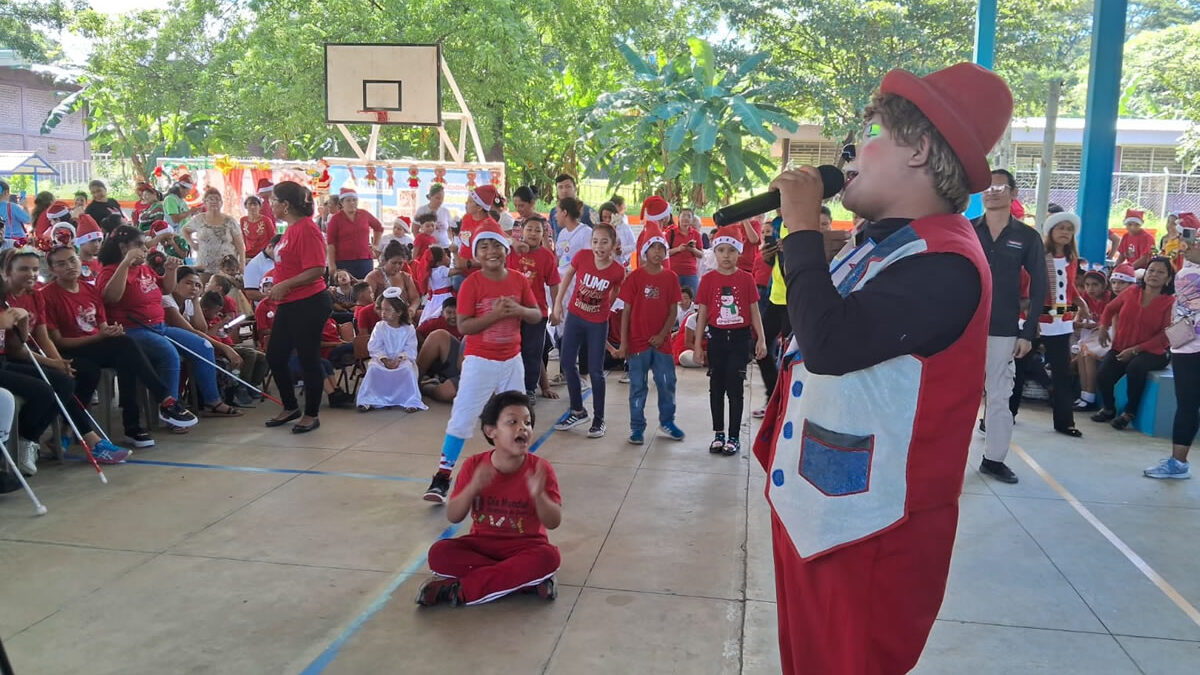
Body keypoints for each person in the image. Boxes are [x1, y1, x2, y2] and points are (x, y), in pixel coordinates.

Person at [754, 63, 1006, 673]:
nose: (850, 153)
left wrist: (801, 229)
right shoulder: (885, 241)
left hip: (871, 534)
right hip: (823, 506)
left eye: (871, 135)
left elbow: (830, 345)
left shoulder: (944, 262)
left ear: (919, 149)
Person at [422, 218, 542, 504]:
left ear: (505, 249)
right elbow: (464, 327)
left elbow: (537, 315)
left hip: (511, 361)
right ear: (476, 253)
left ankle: (522, 474)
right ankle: (442, 477)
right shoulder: (471, 284)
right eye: (483, 246)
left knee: (517, 419)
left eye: (496, 245)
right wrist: (496, 315)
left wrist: (521, 310)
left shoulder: (518, 280)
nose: (491, 251)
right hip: (479, 362)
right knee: (462, 417)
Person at [41, 244, 198, 448]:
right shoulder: (48, 295)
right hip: (71, 349)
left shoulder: (89, 290)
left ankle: (135, 425)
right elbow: (58, 341)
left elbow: (102, 326)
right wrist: (101, 336)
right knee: (114, 356)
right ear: (52, 270)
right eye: (61, 264)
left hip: (95, 345)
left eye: (72, 260)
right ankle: (161, 402)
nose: (69, 266)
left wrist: (109, 332)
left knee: (127, 354)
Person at [417, 391, 561, 607]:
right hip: (481, 546)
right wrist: (473, 487)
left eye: (528, 422)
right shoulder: (474, 466)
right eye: (513, 422)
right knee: (439, 554)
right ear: (490, 431)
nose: (523, 428)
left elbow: (553, 522)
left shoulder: (540, 468)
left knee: (549, 558)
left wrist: (538, 495)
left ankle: (463, 590)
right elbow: (454, 516)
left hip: (526, 547)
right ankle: (525, 582)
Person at [2, 247, 136, 465]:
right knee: (49, 387)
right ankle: (38, 440)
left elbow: (42, 338)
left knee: (67, 379)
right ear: (7, 270)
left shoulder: (35, 295)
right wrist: (52, 362)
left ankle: (55, 437)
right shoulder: (4, 299)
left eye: (35, 269)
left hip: (27, 355)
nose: (31, 274)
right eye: (23, 269)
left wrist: (58, 363)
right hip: (12, 360)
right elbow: (14, 350)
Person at [97, 226, 243, 424]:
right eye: (139, 245)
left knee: (203, 346)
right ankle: (170, 407)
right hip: (132, 330)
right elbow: (111, 298)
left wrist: (171, 270)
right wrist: (125, 263)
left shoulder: (144, 269)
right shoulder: (109, 271)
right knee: (169, 353)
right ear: (123, 248)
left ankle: (212, 401)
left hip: (159, 327)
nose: (145, 249)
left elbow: (166, 288)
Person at [973, 168, 1047, 484]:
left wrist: (1028, 332)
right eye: (987, 186)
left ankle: (993, 459)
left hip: (1002, 330)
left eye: (1000, 186)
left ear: (1013, 193)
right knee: (953, 396)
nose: (993, 191)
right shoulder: (966, 230)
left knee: (999, 397)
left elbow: (1041, 285)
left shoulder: (1026, 237)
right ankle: (943, 461)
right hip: (962, 329)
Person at [263, 181, 332, 433]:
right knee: (275, 356)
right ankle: (290, 405)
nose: (270, 205)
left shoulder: (307, 229)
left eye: (273, 200)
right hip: (290, 301)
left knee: (307, 357)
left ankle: (311, 414)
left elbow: (316, 269)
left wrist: (286, 284)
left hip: (309, 302)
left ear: (285, 205)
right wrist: (276, 284)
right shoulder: (290, 229)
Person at [694, 226, 766, 456]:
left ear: (739, 253)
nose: (726, 255)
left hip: (739, 340)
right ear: (714, 252)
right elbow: (702, 314)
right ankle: (719, 434)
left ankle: (734, 436)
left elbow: (754, 312)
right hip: (716, 339)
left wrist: (761, 340)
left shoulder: (746, 279)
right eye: (721, 250)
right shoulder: (707, 280)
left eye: (731, 250)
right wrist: (697, 345)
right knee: (716, 388)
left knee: (735, 390)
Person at [551, 223, 626, 438]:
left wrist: (606, 308)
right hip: (575, 317)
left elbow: (617, 290)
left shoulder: (617, 270)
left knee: (595, 371)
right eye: (595, 241)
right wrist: (557, 304)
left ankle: (599, 419)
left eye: (604, 242)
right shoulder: (582, 256)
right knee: (566, 363)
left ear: (613, 245)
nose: (599, 246)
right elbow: (567, 277)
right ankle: (577, 410)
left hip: (597, 323)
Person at [617, 224, 684, 445]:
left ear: (666, 252)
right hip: (637, 344)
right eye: (652, 248)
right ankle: (637, 427)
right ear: (644, 251)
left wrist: (663, 334)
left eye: (661, 248)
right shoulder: (635, 277)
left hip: (662, 344)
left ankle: (667, 420)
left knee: (666, 382)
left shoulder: (671, 277)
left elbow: (673, 310)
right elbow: (626, 311)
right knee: (638, 386)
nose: (657, 252)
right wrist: (624, 343)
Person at [1094, 257, 1175, 431]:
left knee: (1135, 367)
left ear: (1168, 278)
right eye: (1151, 270)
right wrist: (1103, 327)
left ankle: (1129, 413)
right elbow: (1109, 309)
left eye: (1160, 272)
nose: (1154, 275)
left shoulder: (1170, 302)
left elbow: (1165, 335)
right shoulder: (1132, 292)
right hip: (1122, 346)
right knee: (1103, 375)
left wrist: (1136, 350)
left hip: (1155, 351)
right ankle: (1109, 409)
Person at [1146, 232, 1200, 478]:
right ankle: (1178, 463)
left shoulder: (1189, 273)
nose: (1186, 247)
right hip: (1184, 346)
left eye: (1193, 243)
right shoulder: (1186, 269)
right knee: (1187, 405)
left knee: (1188, 405)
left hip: (1191, 347)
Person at [1036, 211, 1085, 437]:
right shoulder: (1038, 256)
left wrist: (1080, 303)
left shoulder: (1071, 259)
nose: (1065, 232)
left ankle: (1064, 422)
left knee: (1062, 373)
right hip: (1036, 320)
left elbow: (1069, 287)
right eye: (1061, 228)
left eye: (1069, 229)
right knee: (1015, 369)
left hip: (1061, 323)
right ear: (1051, 231)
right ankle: (1005, 415)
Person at [506, 215, 561, 402]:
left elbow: (554, 284)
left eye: (538, 230)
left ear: (543, 234)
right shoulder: (511, 251)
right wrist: (512, 242)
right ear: (521, 231)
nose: (533, 233)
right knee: (510, 350)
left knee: (533, 351)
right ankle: (510, 388)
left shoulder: (547, 256)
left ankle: (529, 389)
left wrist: (557, 309)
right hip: (511, 312)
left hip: (537, 313)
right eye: (529, 229)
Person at [356, 288, 426, 412]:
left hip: (402, 359)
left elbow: (410, 348)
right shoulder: (380, 327)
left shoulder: (408, 329)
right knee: (374, 368)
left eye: (387, 310)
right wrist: (384, 359)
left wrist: (399, 359)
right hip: (382, 359)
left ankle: (410, 400)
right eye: (382, 309)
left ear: (399, 312)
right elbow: (375, 346)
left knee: (407, 369)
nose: (383, 313)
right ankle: (369, 399)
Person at [325, 186, 382, 280]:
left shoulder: (364, 214)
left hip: (364, 260)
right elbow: (331, 244)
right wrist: (332, 265)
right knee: (346, 290)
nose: (352, 203)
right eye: (348, 200)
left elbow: (378, 227)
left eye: (354, 200)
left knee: (365, 288)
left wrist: (375, 245)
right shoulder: (335, 219)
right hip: (343, 261)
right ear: (342, 203)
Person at [184, 188, 245, 274]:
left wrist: (242, 264)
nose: (214, 201)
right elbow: (185, 230)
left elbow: (240, 246)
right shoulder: (199, 219)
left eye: (217, 199)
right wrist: (192, 243)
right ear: (205, 202)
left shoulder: (230, 221)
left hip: (227, 268)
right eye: (210, 199)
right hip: (204, 267)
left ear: (221, 203)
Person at [666, 207, 704, 294]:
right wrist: (678, 249)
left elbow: (701, 255)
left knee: (693, 300)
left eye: (689, 216)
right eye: (683, 216)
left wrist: (693, 249)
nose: (686, 218)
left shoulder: (696, 234)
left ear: (692, 220)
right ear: (678, 218)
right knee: (673, 300)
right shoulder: (670, 233)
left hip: (691, 273)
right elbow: (664, 253)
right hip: (673, 272)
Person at [415, 183, 454, 247]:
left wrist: (452, 242)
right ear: (430, 197)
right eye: (437, 198)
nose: (440, 201)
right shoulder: (422, 210)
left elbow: (450, 230)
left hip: (444, 246)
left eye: (442, 198)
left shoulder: (445, 211)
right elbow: (415, 229)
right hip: (427, 247)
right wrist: (420, 243)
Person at [243, 234, 280, 302]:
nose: (281, 254)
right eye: (278, 251)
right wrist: (274, 297)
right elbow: (251, 293)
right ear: (270, 247)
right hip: (267, 306)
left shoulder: (283, 259)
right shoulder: (254, 264)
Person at [240, 195, 275, 260]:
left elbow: (273, 238)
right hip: (248, 255)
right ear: (245, 206)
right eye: (250, 204)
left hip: (263, 254)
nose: (252, 207)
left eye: (255, 204)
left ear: (260, 206)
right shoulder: (243, 220)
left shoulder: (266, 220)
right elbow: (242, 238)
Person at [0, 179, 31, 248]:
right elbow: (28, 220)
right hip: (15, 242)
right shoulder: (12, 207)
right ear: (6, 192)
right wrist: (25, 206)